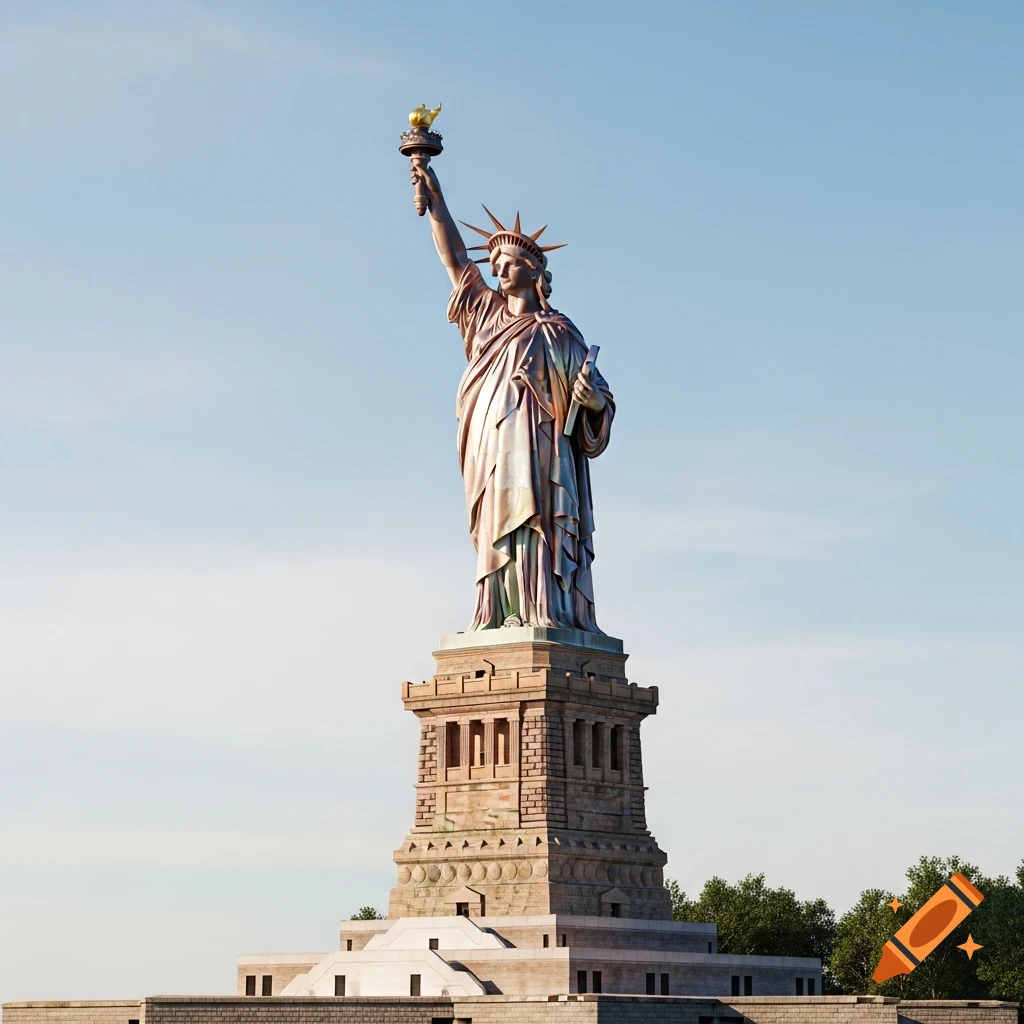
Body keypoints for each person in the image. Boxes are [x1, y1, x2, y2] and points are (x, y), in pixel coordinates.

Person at [411, 160, 615, 632]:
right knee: (498, 519)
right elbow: (454, 260)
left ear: (536, 271)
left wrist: (592, 401)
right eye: (496, 265)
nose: (501, 270)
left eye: (512, 263)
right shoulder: (484, 313)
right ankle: (497, 609)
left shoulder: (560, 333)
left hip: (543, 449)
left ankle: (546, 609)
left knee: (538, 516)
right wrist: (436, 199)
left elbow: (597, 402)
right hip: (491, 440)